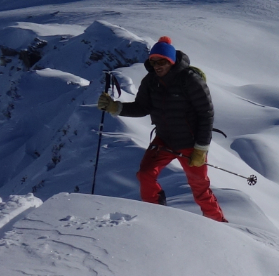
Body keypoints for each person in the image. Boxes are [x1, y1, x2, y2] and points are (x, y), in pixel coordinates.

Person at [95, 36, 227, 222]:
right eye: (153, 61)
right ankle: (157, 216)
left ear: (171, 61)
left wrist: (201, 148)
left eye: (162, 61)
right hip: (164, 139)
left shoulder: (190, 80)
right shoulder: (151, 82)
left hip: (190, 143)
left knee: (199, 188)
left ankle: (219, 224)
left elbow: (206, 114)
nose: (157, 65)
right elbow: (142, 107)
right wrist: (116, 107)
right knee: (146, 175)